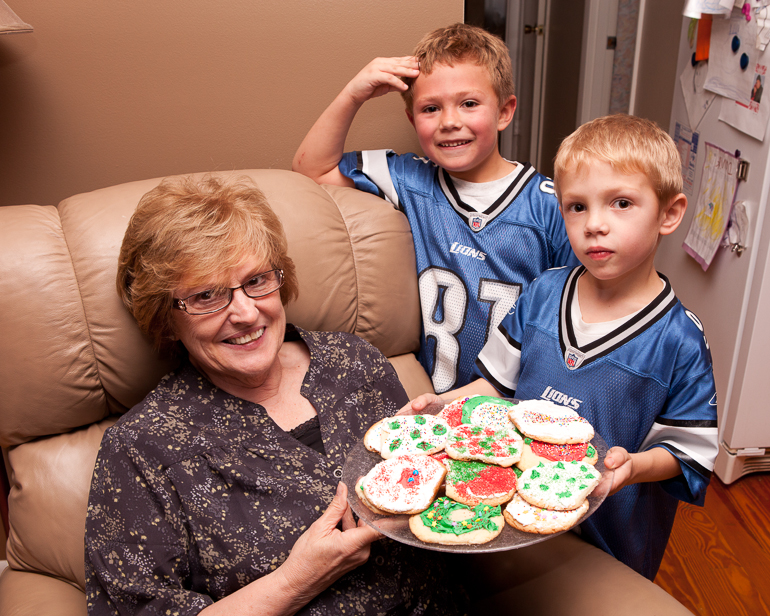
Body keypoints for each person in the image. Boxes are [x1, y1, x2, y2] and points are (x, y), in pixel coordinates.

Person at [84, 174, 467, 615]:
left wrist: (450, 444)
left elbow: (429, 501)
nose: (246, 313)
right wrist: (294, 582)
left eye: (256, 280)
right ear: (167, 318)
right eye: (206, 295)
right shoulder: (141, 449)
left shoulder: (354, 360)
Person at [407, 114, 719, 580]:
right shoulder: (541, 293)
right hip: (516, 517)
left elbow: (686, 453)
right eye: (577, 207)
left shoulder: (681, 341)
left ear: (669, 214)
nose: (594, 224)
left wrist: (632, 469)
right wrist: (445, 404)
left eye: (620, 203)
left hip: (609, 539)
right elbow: (494, 385)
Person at [293, 23, 577, 395]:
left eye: (469, 103)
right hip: (439, 408)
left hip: (520, 408)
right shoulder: (412, 180)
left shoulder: (550, 206)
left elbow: (581, 313)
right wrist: (353, 94)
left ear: (505, 112)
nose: (449, 122)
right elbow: (312, 169)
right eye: (430, 108)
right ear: (413, 120)